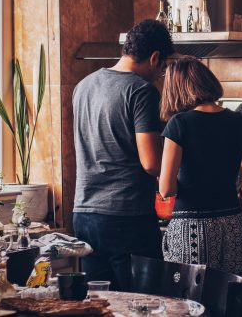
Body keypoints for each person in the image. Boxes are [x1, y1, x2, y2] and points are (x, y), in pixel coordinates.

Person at [72, 19, 173, 290]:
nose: (160, 74)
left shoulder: (83, 86)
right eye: (163, 68)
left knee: (102, 305)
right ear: (155, 58)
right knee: (145, 304)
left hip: (84, 214)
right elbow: (151, 163)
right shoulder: (141, 91)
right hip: (126, 216)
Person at [158, 57, 242, 276]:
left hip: (191, 228)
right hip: (231, 223)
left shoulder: (179, 123)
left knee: (191, 303)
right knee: (230, 297)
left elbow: (166, 189)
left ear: (176, 89)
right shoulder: (237, 120)